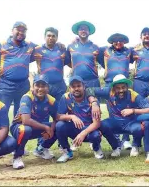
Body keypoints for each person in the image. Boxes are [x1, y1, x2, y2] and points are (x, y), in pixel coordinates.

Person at [86, 74, 149, 157]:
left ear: (127, 86)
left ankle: (136, 145)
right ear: (113, 88)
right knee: (102, 124)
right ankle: (116, 146)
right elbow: (88, 90)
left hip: (130, 122)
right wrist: (94, 103)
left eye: (123, 87)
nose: (121, 90)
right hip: (115, 121)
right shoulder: (108, 91)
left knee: (138, 128)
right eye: (118, 88)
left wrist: (133, 110)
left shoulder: (134, 95)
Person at [32, 27, 67, 156]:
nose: (51, 38)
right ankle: (40, 145)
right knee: (42, 116)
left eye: (53, 36)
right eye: (48, 36)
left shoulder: (62, 49)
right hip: (44, 86)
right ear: (44, 36)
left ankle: (60, 142)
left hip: (59, 85)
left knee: (59, 114)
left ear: (57, 37)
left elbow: (72, 60)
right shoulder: (37, 50)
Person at [10, 75, 58, 169]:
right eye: (37, 85)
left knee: (58, 126)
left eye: (43, 86)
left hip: (36, 126)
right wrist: (46, 128)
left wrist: (51, 129)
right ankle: (17, 157)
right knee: (25, 129)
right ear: (33, 87)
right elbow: (25, 121)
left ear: (48, 88)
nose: (40, 89)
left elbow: (56, 118)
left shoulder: (51, 100)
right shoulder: (27, 97)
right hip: (18, 126)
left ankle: (41, 149)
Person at [97, 33, 134, 150]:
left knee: (127, 111)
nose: (118, 43)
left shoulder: (129, 51)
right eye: (115, 41)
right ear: (111, 41)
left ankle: (126, 140)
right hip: (110, 84)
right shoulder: (104, 50)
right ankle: (116, 139)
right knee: (112, 111)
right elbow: (93, 55)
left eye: (121, 40)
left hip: (124, 85)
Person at [55, 76, 103, 163]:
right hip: (75, 129)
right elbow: (58, 116)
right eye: (73, 86)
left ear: (84, 86)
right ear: (69, 88)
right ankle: (67, 152)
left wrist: (83, 133)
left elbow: (97, 123)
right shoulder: (66, 98)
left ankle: (96, 148)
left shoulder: (93, 101)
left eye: (78, 86)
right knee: (59, 125)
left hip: (89, 130)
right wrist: (71, 117)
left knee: (96, 135)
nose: (76, 88)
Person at [66, 21, 101, 88]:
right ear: (77, 32)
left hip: (93, 82)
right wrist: (76, 67)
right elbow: (66, 62)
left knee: (93, 99)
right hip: (76, 82)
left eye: (86, 29)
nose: (83, 31)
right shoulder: (71, 46)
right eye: (81, 29)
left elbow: (103, 62)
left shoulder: (95, 47)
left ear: (89, 32)